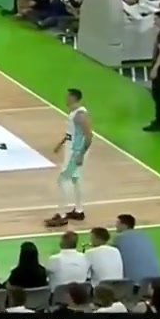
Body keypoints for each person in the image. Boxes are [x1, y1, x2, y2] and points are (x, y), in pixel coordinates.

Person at [47, 88, 92, 227]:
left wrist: (81, 154)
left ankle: (62, 216)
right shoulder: (73, 113)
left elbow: (89, 136)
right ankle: (79, 210)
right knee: (76, 179)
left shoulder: (81, 115)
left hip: (75, 152)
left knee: (62, 180)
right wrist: (61, 144)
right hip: (72, 149)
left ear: (73, 98)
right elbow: (71, 133)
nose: (66, 98)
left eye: (68, 96)